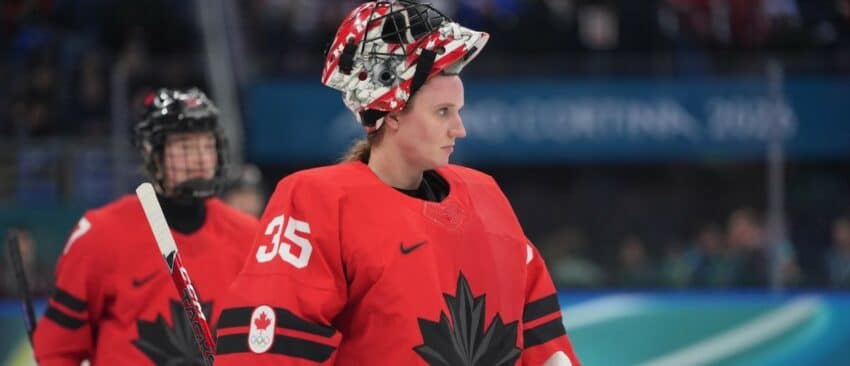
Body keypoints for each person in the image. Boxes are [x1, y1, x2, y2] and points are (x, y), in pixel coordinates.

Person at [214, 1, 580, 365]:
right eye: (442, 112)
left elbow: (546, 347)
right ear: (391, 112)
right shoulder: (319, 203)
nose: (460, 128)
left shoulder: (487, 196)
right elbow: (269, 352)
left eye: (457, 111)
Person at [33, 88, 259, 365]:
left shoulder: (250, 235)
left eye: (207, 145)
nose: (200, 159)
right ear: (153, 153)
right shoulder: (100, 234)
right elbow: (57, 349)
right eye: (186, 147)